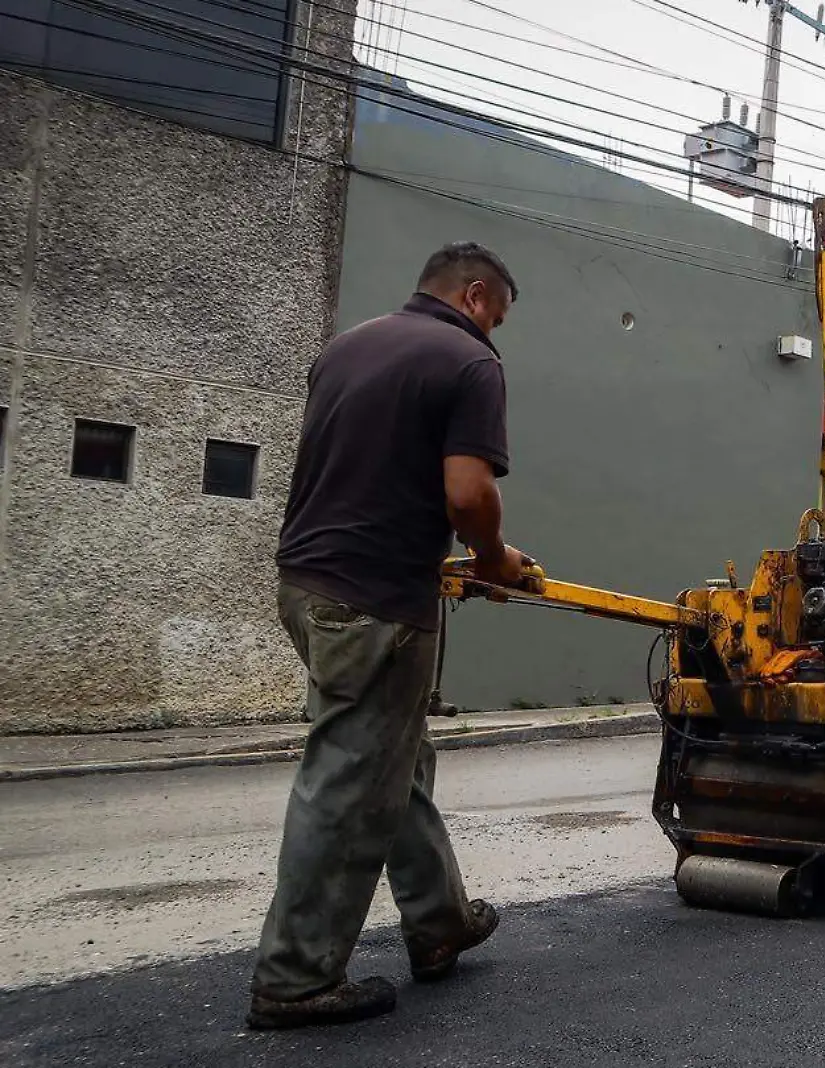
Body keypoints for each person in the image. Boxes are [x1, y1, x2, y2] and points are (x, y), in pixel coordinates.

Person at [250, 243, 529, 1030]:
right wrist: (493, 560)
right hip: (375, 599)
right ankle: (296, 979)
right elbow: (468, 493)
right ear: (475, 296)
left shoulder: (348, 347)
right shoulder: (469, 363)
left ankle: (440, 924)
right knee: (348, 782)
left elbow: (367, 471)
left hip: (305, 583)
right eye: (497, 317)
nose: (495, 333)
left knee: (392, 755)